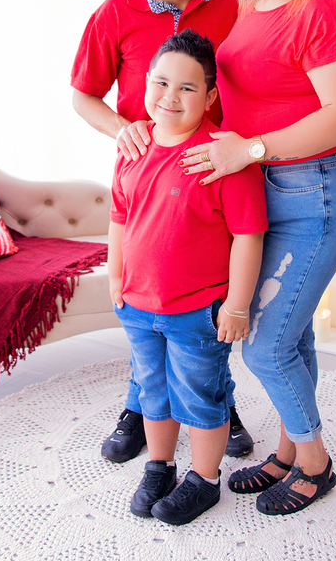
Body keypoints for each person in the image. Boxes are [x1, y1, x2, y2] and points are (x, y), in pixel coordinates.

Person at [179, 0, 336, 516]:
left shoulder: (322, 9)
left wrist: (249, 149)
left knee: (263, 344)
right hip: (262, 198)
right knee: (293, 337)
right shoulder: (251, 6)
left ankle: (315, 465)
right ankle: (287, 452)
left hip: (314, 197)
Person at [70, 0, 254, 462]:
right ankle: (142, 408)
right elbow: (83, 94)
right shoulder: (114, 13)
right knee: (147, 305)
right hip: (145, 176)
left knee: (199, 306)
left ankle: (213, 405)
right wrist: (121, 128)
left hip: (213, 180)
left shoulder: (237, 7)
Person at [109, 30, 266, 524]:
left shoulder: (221, 156)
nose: (170, 97)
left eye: (187, 88)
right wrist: (116, 281)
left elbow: (247, 235)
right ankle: (160, 466)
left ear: (211, 96)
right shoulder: (132, 147)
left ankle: (205, 479)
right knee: (152, 391)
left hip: (197, 310)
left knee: (201, 395)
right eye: (161, 83)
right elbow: (118, 219)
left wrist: (237, 305)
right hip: (138, 304)